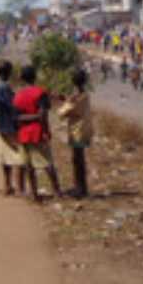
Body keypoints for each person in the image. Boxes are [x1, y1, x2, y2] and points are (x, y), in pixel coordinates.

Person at [13, 66, 62, 202]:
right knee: (47, 163)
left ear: (22, 79)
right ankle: (57, 191)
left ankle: (34, 194)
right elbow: (43, 115)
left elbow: (17, 117)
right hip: (37, 132)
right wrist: (45, 129)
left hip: (23, 133)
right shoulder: (40, 93)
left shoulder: (18, 95)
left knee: (29, 166)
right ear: (35, 77)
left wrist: (28, 117)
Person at [57, 70, 93, 198]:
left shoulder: (77, 96)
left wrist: (64, 103)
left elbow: (62, 113)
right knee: (78, 159)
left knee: (78, 159)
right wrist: (66, 100)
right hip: (83, 129)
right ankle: (80, 187)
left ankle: (81, 189)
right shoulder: (83, 94)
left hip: (78, 131)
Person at [0, 61, 27, 195]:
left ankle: (7, 185)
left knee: (5, 157)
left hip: (2, 126)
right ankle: (20, 187)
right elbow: (12, 107)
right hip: (9, 127)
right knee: (20, 156)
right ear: (9, 73)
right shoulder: (4, 88)